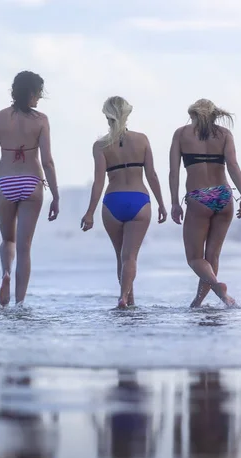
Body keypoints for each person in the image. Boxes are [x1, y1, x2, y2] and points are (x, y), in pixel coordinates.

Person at [81, 96, 167, 309]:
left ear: (106, 115)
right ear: (127, 114)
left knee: (121, 257)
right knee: (130, 257)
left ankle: (126, 299)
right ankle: (125, 298)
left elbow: (98, 182)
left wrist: (90, 212)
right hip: (139, 200)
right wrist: (162, 204)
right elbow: (152, 176)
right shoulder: (142, 139)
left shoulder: (100, 145)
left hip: (113, 202)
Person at [0, 70, 60, 307]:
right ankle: (20, 304)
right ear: (30, 93)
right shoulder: (41, 120)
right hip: (31, 182)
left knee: (8, 240)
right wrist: (56, 195)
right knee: (25, 246)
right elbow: (47, 161)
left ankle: (6, 272)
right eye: (37, 94)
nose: (38, 99)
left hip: (5, 182)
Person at [169, 98, 241, 308]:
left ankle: (216, 286)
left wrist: (175, 202)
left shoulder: (181, 134)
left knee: (195, 258)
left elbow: (174, 172)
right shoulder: (224, 134)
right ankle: (198, 302)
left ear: (193, 114)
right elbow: (233, 165)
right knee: (212, 255)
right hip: (224, 195)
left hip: (199, 197)